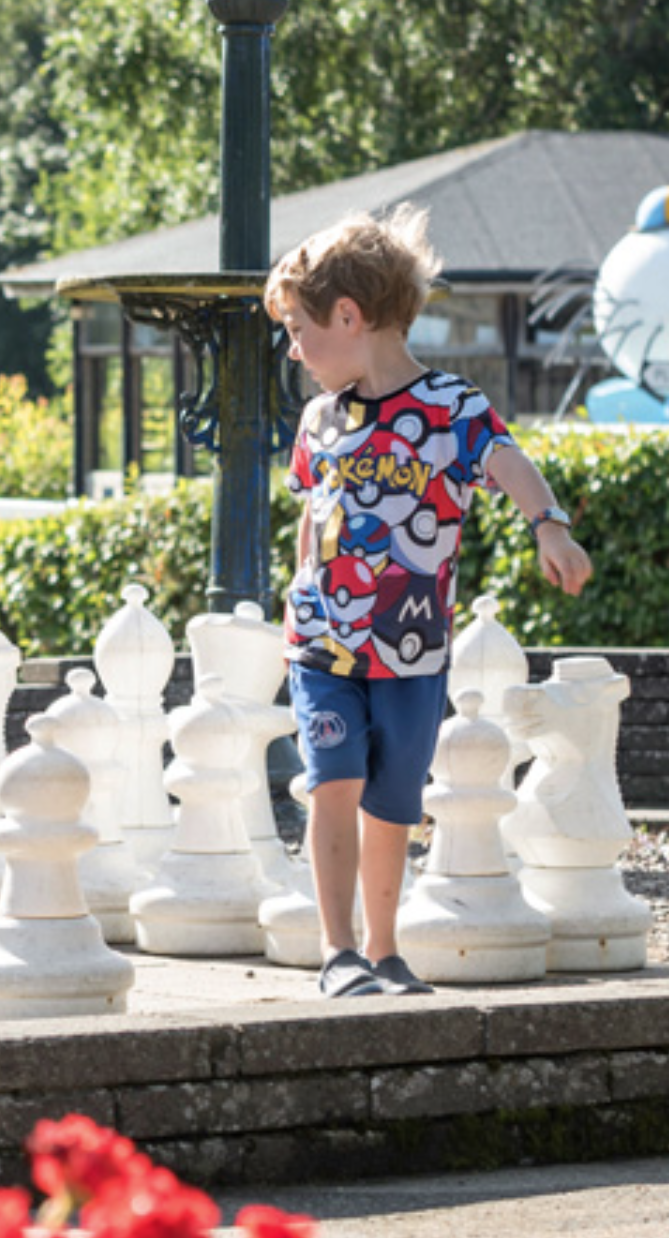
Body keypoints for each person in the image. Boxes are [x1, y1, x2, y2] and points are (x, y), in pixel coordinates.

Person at [264, 205, 594, 999]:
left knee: (394, 801)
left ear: (349, 315)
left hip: (412, 652)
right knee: (333, 779)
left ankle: (383, 952)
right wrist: (302, 594)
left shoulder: (452, 410)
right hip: (325, 646)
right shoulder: (319, 422)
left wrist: (549, 527)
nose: (294, 349)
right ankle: (336, 951)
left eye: (300, 329)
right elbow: (314, 517)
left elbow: (508, 461)